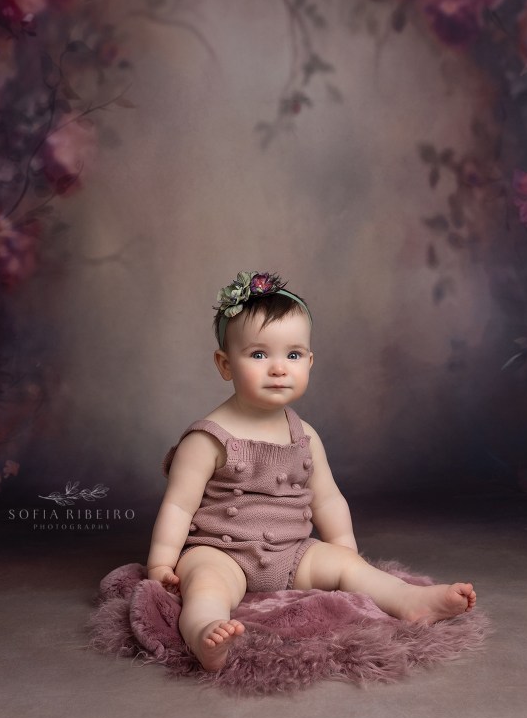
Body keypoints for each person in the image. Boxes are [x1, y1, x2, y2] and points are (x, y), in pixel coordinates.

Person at [147, 271, 476, 671]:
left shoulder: (304, 436)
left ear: (309, 361)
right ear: (225, 364)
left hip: (291, 553)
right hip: (222, 552)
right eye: (258, 355)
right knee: (205, 586)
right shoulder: (207, 439)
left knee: (351, 568)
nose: (278, 368)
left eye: (293, 355)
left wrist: (343, 548)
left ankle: (411, 600)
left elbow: (327, 498)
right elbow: (179, 506)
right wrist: (161, 563)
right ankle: (205, 632)